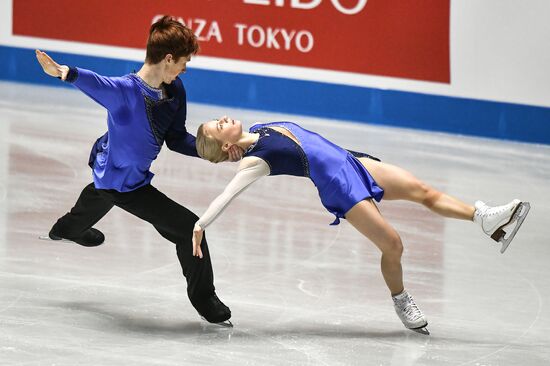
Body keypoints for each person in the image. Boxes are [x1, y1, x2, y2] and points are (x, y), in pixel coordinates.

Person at [191, 116, 530, 333]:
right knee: (394, 244)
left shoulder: (261, 128)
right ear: (226, 145)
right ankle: (400, 299)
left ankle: (483, 219)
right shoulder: (254, 161)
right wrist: (200, 225)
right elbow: (227, 195)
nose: (223, 119)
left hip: (354, 160)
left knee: (424, 192)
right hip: (339, 185)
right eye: (219, 126)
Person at [34, 16, 242, 325]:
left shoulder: (175, 91)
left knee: (97, 196)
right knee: (187, 228)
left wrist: (213, 152)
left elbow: (175, 139)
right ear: (168, 58)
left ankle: (66, 229)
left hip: (126, 178)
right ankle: (204, 298)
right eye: (183, 62)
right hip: (121, 181)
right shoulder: (125, 92)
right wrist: (65, 72)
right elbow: (94, 82)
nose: (184, 69)